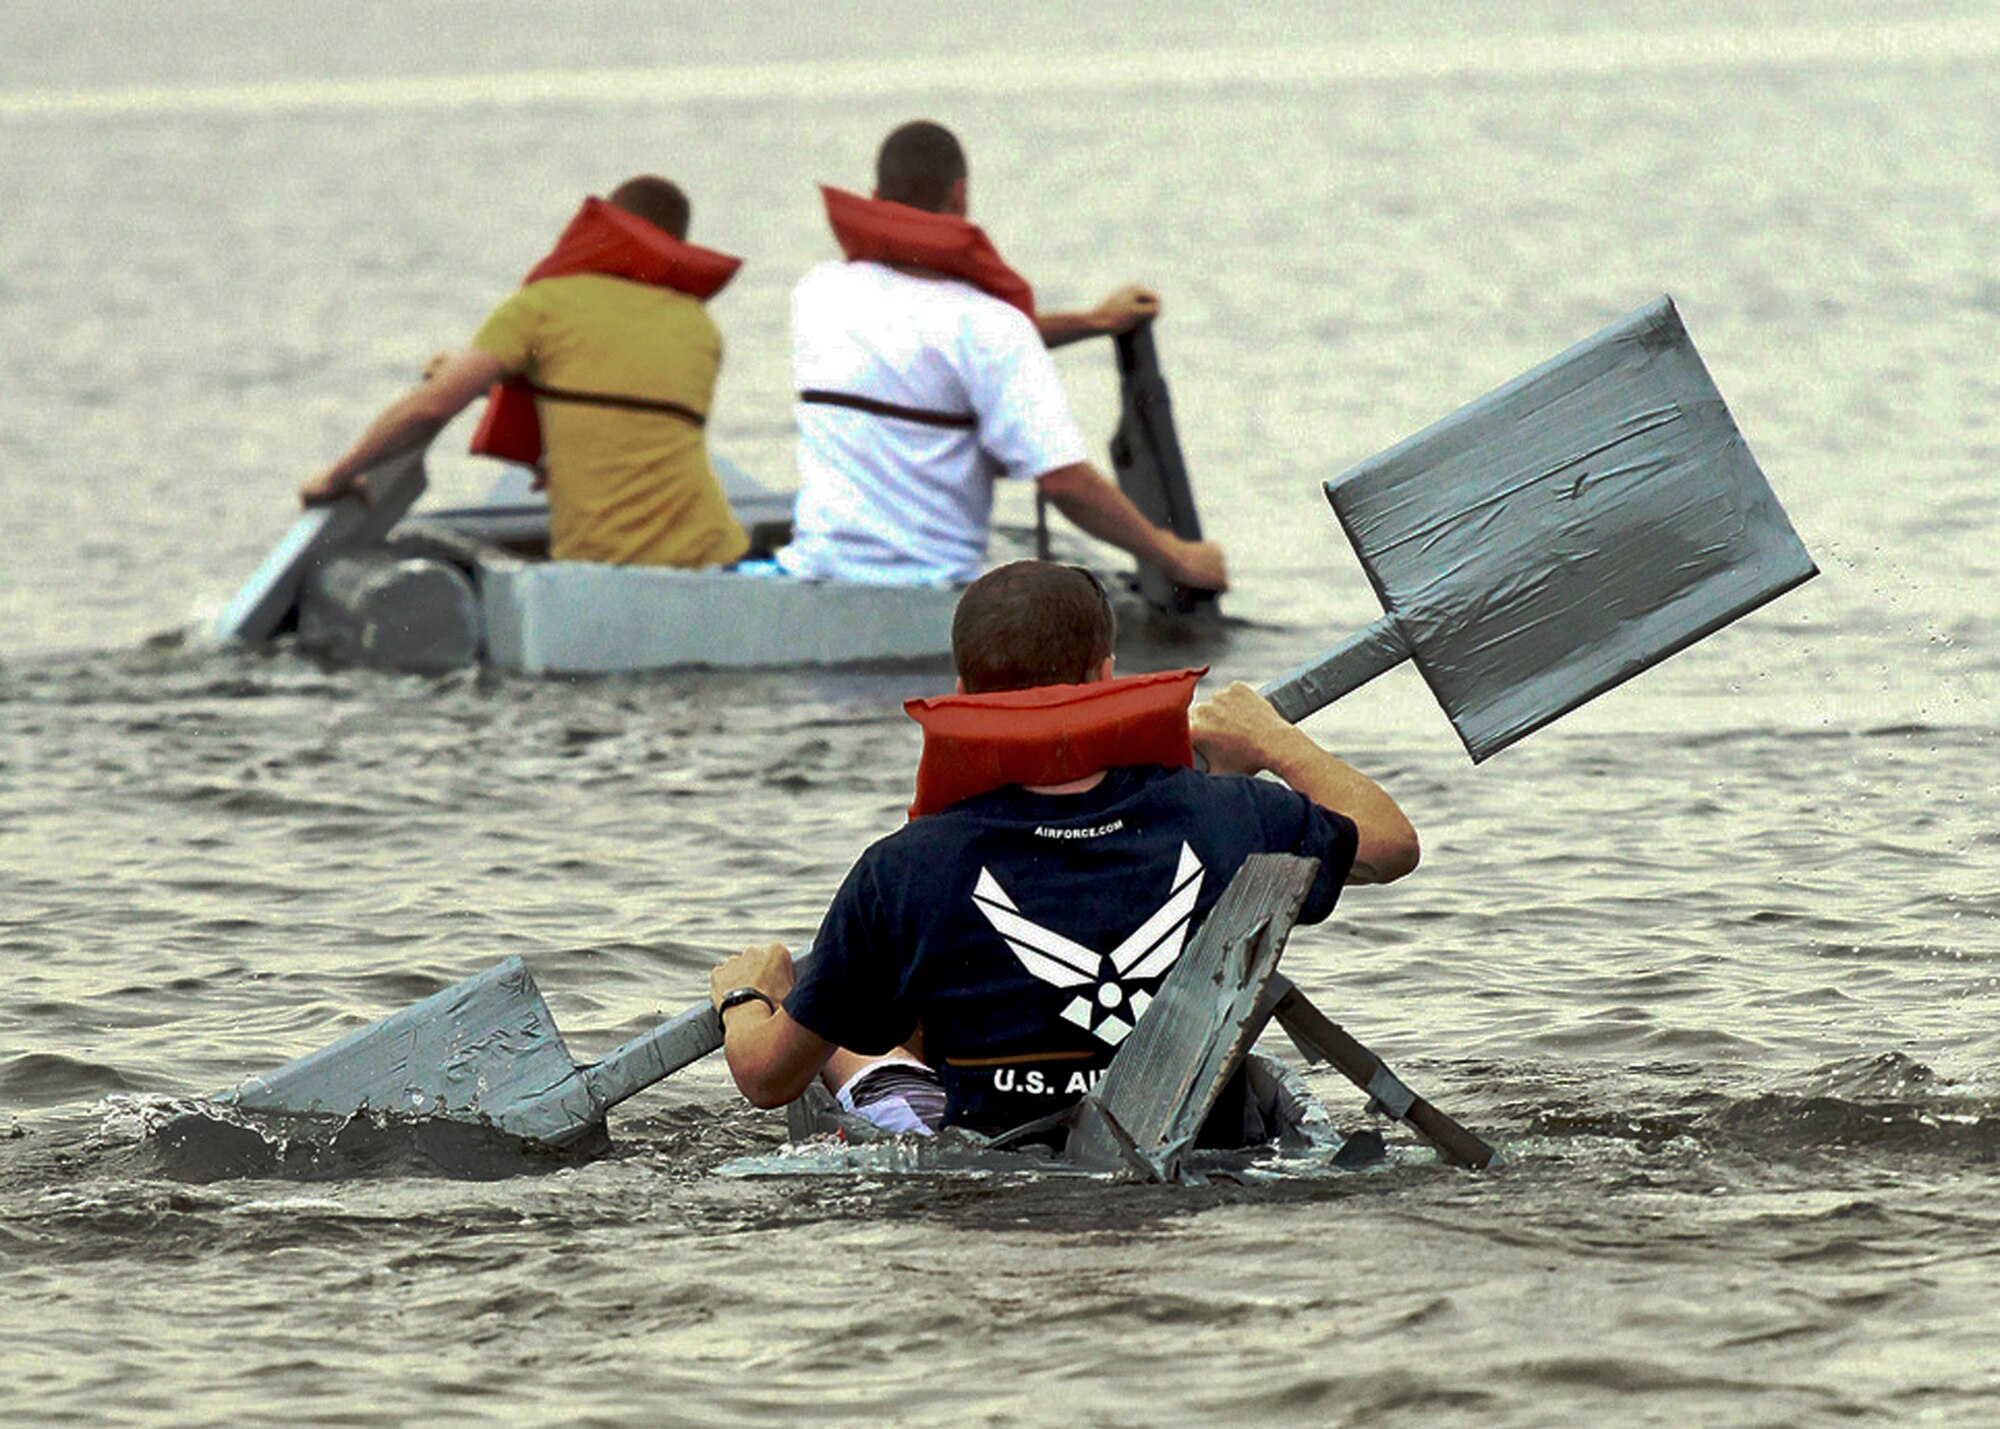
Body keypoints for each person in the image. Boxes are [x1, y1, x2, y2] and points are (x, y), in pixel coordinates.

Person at [708, 560, 1419, 1139]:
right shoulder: (1233, 817)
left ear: (962, 692)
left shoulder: (904, 867)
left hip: (1004, 1174)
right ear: (1105, 674)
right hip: (1193, 1150)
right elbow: (1391, 845)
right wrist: (1270, 737)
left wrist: (749, 995)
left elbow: (767, 1080)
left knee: (841, 1023)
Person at [774, 120, 1229, 592]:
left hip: (818, 568)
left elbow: (932, 345)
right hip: (930, 589)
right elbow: (1063, 483)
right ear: (960, 195)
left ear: (874, 197)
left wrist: (1093, 322)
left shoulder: (818, 294)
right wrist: (1176, 557)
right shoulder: (990, 327)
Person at [298, 176, 750, 570]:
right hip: (713, 552)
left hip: (602, 563)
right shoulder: (699, 328)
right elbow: (613, 409)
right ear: (675, 248)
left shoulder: (543, 306)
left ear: (602, 227)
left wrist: (338, 476)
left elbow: (431, 408)